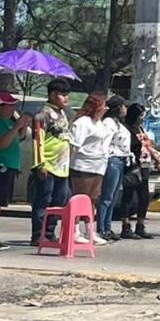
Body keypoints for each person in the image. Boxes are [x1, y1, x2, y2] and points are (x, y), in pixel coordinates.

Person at [0, 91, 31, 250]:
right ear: (0, 107)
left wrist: (22, 126)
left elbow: (19, 138)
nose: (12, 108)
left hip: (9, 165)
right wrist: (16, 126)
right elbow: (2, 143)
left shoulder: (9, 121)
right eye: (9, 105)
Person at [30, 79, 72, 246]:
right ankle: (38, 234)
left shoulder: (63, 114)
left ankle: (50, 231)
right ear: (53, 95)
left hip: (62, 166)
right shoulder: (42, 114)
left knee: (59, 201)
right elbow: (38, 140)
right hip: (47, 165)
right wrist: (40, 164)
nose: (66, 99)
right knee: (43, 201)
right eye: (63, 95)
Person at [69, 93, 112, 245]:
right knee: (80, 198)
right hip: (83, 164)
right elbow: (74, 145)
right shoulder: (83, 122)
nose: (105, 109)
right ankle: (74, 231)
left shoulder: (100, 124)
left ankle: (90, 231)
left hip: (98, 165)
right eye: (102, 106)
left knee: (92, 200)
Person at [121, 103, 159, 240]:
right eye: (140, 115)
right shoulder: (127, 129)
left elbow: (148, 146)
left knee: (144, 197)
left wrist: (157, 159)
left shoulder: (141, 129)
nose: (142, 118)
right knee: (128, 196)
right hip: (132, 166)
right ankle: (125, 226)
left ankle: (140, 225)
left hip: (144, 166)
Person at [97, 95, 131, 242]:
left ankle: (107, 226)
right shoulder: (108, 123)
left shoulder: (118, 123)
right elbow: (105, 142)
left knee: (113, 196)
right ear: (118, 108)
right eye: (124, 106)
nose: (125, 109)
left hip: (121, 160)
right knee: (106, 196)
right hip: (112, 160)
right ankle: (101, 228)